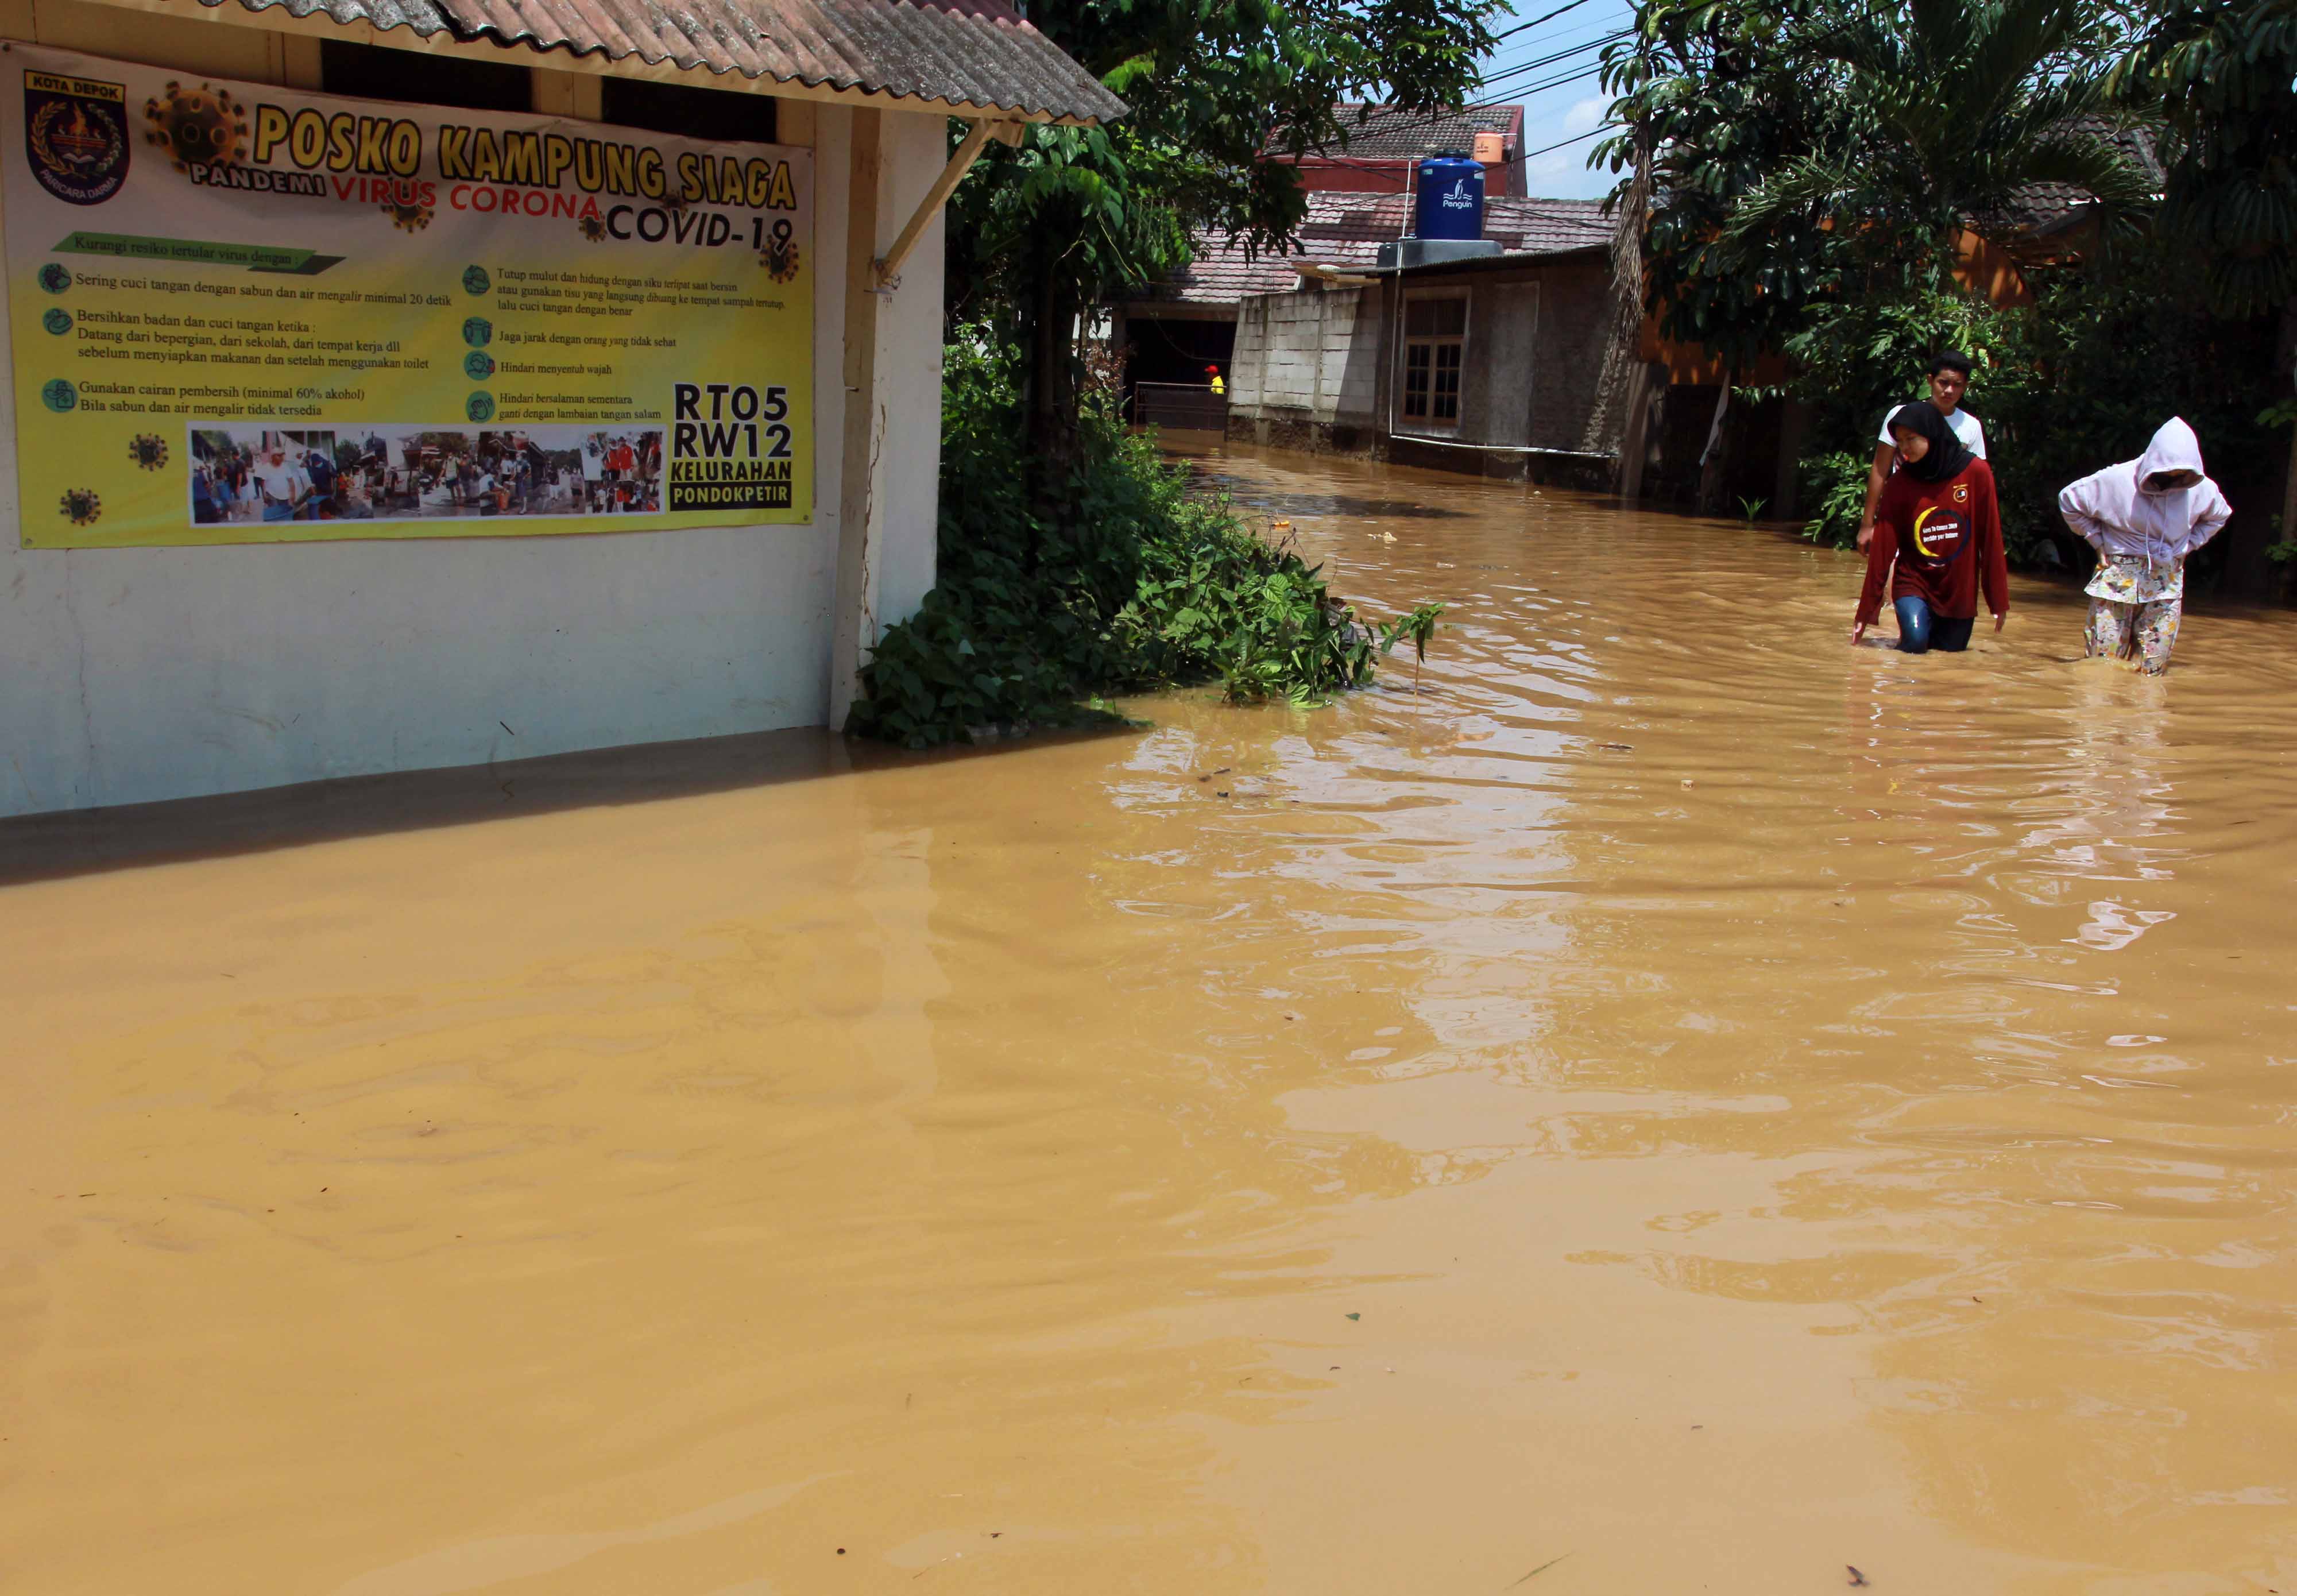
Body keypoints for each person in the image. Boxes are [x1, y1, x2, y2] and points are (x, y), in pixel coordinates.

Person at [2057, 418, 2231, 675]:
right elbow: (2069, 501)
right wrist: (2096, 541)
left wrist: (2187, 547)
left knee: (2152, 669)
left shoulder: (2202, 489)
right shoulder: (2116, 480)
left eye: (2179, 477)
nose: (2170, 484)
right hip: (2116, 576)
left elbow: (2219, 516)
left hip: (2166, 580)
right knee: (2102, 665)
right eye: (2163, 477)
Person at [1853, 402, 2008, 652]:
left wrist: (1998, 599)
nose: (1903, 448)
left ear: (1932, 432)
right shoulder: (1899, 484)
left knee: (1949, 660)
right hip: (1913, 581)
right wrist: (1866, 610)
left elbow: (1990, 537)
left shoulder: (1976, 473)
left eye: (1910, 439)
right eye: (1900, 441)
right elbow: (1883, 548)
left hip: (1958, 589)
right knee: (1915, 642)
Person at [1857, 351, 1987, 552]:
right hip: (1901, 512)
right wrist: (1867, 525)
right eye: (1943, 383)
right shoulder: (1901, 416)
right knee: (1892, 577)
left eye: (1957, 385)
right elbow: (1880, 469)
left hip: (1945, 522)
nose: (1949, 391)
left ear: (1965, 386)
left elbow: (1976, 484)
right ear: (1930, 380)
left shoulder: (1972, 427)